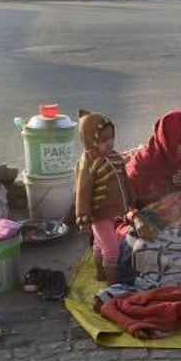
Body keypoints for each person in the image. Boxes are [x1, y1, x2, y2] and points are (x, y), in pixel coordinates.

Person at [75, 110, 134, 284]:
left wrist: (131, 198)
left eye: (111, 137)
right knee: (111, 249)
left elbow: (124, 179)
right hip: (98, 213)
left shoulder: (114, 157)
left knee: (100, 244)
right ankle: (112, 285)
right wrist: (83, 217)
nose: (109, 143)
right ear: (90, 140)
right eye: (103, 140)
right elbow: (82, 192)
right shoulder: (88, 163)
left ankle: (100, 273)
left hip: (112, 210)